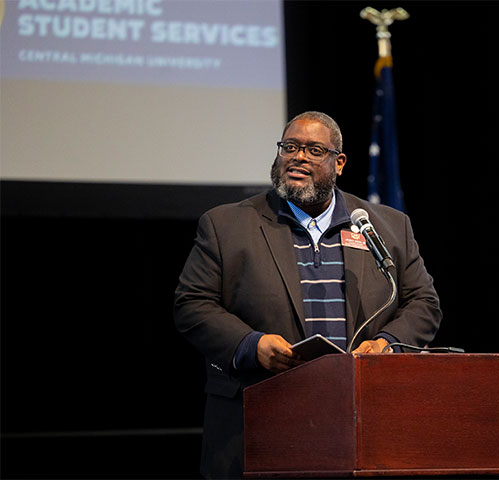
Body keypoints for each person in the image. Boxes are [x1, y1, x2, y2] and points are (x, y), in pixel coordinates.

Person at [174, 111, 442, 478]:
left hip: (360, 419)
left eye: (314, 150)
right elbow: (192, 304)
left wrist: (388, 342)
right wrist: (251, 345)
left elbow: (424, 302)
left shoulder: (388, 225)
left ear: (339, 163)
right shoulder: (227, 225)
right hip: (259, 416)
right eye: (290, 147)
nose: (298, 157)